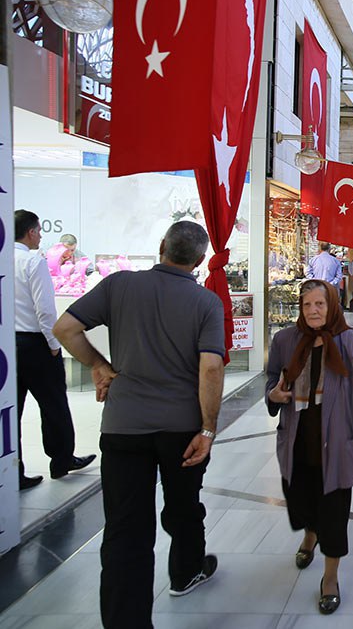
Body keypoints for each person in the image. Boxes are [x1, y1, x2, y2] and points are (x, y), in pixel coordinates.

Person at [52, 221, 225, 628]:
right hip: (181, 429)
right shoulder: (205, 302)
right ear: (200, 260)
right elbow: (211, 367)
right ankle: (185, 571)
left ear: (162, 245)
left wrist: (99, 364)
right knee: (184, 506)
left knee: (125, 529)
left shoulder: (119, 285)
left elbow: (65, 328)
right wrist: (208, 428)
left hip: (123, 426)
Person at [266, 280, 353, 615]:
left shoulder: (350, 344)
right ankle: (310, 533)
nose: (313, 311)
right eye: (307, 305)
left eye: (320, 304)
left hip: (337, 445)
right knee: (301, 500)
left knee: (333, 515)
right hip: (297, 441)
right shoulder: (285, 340)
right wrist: (273, 394)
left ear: (332, 306)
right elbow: (272, 378)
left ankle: (330, 577)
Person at [13, 210, 95, 490]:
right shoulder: (32, 262)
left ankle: (14, 471)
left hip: (9, 344)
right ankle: (61, 460)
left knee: (12, 409)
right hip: (36, 343)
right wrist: (53, 344)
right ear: (30, 232)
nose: (40, 235)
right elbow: (45, 310)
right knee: (54, 405)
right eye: (38, 230)